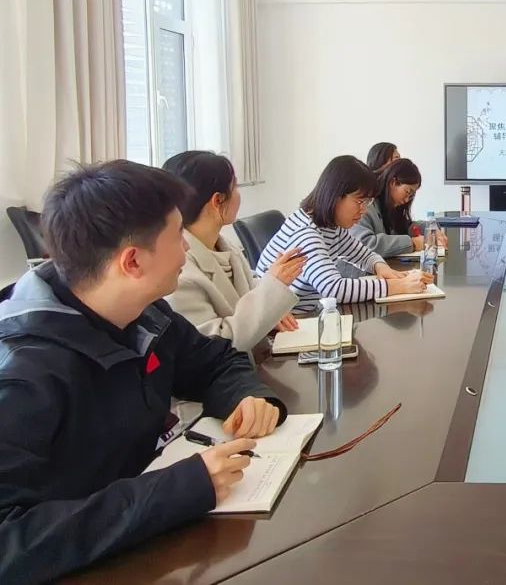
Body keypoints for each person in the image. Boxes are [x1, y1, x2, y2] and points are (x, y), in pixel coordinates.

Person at [0, 160, 287, 582]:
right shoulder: (23, 374)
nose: (187, 248)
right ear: (132, 261)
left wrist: (247, 396)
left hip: (144, 545)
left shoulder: (145, 314)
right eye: (177, 235)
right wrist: (180, 489)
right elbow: (10, 541)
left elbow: (215, 361)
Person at [162, 151, 305, 352]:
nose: (238, 194)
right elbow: (217, 345)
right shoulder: (179, 272)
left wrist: (271, 309)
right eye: (235, 187)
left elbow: (250, 290)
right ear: (217, 200)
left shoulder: (225, 246)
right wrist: (273, 289)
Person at [256, 155, 428, 313]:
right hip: (287, 323)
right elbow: (334, 289)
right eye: (360, 201)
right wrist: (398, 286)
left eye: (367, 202)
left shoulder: (331, 227)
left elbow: (363, 254)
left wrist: (380, 267)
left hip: (307, 313)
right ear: (336, 195)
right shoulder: (307, 232)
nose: (363, 210)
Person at [351, 158, 447, 258]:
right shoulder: (364, 205)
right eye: (407, 192)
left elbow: (405, 227)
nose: (407, 200)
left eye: (411, 196)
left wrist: (430, 228)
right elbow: (365, 244)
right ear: (393, 182)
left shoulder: (390, 206)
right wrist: (413, 243)